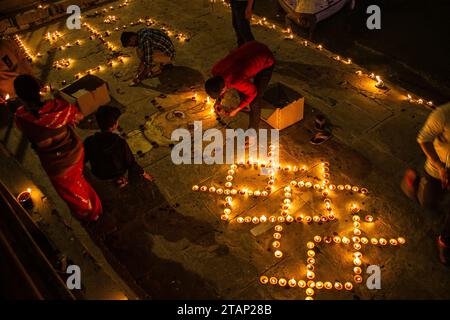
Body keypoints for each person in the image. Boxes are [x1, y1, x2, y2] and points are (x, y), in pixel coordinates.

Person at [13, 74, 102, 221]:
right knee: (78, 179)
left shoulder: (21, 117)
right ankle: (91, 204)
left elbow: (29, 130)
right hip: (75, 153)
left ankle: (90, 214)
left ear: (20, 97)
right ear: (39, 90)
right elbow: (78, 117)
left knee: (71, 192)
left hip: (56, 166)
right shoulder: (59, 108)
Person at [402, 102, 450, 265]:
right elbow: (424, 139)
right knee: (429, 203)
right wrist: (440, 166)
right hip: (438, 169)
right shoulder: (443, 114)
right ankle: (414, 182)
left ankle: (445, 241)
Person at [205, 40, 275, 133]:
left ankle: (252, 134)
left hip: (265, 58)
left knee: (254, 101)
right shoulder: (215, 70)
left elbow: (253, 93)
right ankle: (244, 104)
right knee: (244, 91)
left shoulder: (235, 80)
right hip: (252, 46)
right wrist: (219, 100)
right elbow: (222, 84)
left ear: (223, 88)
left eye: (220, 93)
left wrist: (237, 109)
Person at [84, 105, 154, 187]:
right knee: (128, 163)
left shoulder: (90, 141)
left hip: (98, 174)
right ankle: (119, 178)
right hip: (117, 172)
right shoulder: (120, 143)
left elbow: (83, 158)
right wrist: (144, 173)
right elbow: (131, 163)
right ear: (115, 125)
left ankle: (117, 179)